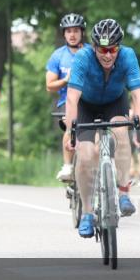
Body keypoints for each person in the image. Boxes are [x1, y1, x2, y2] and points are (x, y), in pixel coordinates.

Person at [64, 18, 140, 238]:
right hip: (86, 105)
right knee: (86, 154)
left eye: (113, 49)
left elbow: (138, 95)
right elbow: (72, 97)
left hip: (114, 102)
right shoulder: (83, 57)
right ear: (94, 47)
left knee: (120, 131)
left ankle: (123, 192)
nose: (108, 55)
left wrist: (139, 128)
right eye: (103, 50)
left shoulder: (128, 56)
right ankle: (87, 213)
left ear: (119, 47)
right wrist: (70, 132)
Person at [46, 13, 86, 181]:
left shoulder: (91, 52)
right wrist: (65, 80)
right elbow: (49, 86)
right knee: (71, 126)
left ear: (82, 32)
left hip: (89, 99)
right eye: (69, 31)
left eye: (76, 30)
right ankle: (68, 166)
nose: (72, 35)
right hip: (67, 101)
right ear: (64, 34)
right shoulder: (58, 56)